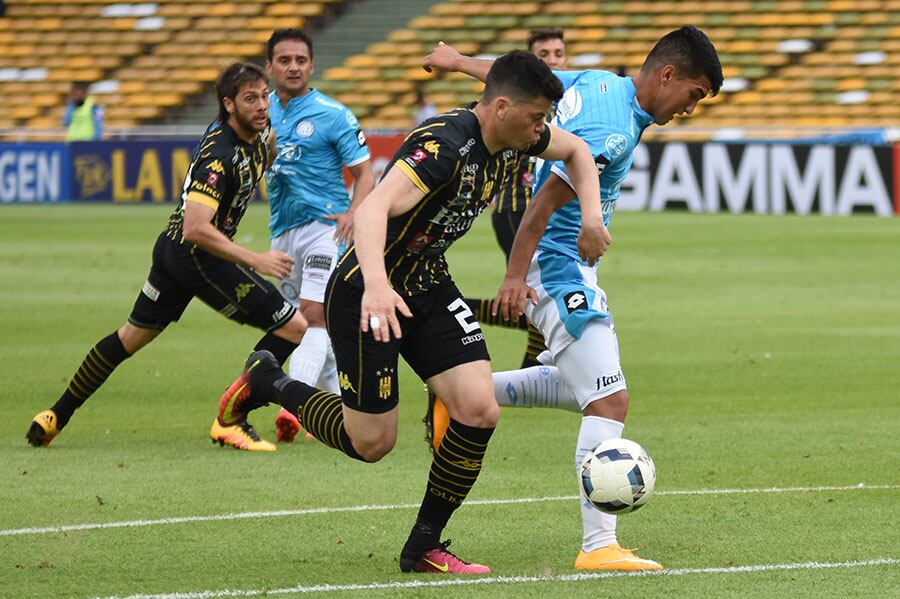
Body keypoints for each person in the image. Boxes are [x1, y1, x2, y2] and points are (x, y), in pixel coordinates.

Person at [215, 51, 606, 574]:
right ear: (503, 106)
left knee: (478, 408)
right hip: (366, 289)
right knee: (372, 442)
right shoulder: (443, 145)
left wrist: (592, 216)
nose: (543, 129)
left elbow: (578, 150)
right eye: (537, 117)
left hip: (427, 283)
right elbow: (374, 207)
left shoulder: (521, 135)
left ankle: (424, 545)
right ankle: (269, 380)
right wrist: (376, 286)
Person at [422, 25, 723, 570]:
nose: (689, 108)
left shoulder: (601, 83)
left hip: (568, 267)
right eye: (694, 95)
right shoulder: (612, 132)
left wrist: (460, 60)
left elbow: (526, 77)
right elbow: (541, 204)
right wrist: (516, 276)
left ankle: (460, 394)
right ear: (668, 74)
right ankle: (598, 546)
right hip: (559, 270)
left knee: (580, 387)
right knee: (610, 402)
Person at [27, 62, 308, 452]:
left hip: (173, 251)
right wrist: (255, 260)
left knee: (130, 337)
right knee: (292, 326)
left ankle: (55, 415)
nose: (262, 106)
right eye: (250, 99)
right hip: (199, 254)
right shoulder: (219, 155)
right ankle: (231, 419)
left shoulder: (258, 137)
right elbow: (196, 226)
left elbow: (269, 150)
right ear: (228, 104)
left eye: (264, 96)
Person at [261, 29, 375, 444]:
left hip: (327, 229)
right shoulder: (261, 111)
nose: (293, 67)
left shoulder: (333, 113)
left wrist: (354, 214)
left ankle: (295, 405)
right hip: (283, 231)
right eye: (284, 60)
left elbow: (365, 174)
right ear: (270, 66)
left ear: (312, 65)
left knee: (313, 315)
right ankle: (334, 413)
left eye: (300, 60)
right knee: (299, 322)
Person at [460, 28, 569, 372]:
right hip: (515, 206)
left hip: (547, 209)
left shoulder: (568, 98)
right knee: (536, 295)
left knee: (538, 299)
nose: (552, 60)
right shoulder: (519, 99)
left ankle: (529, 369)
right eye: (543, 54)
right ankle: (457, 311)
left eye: (557, 53)